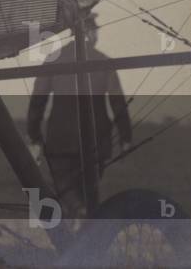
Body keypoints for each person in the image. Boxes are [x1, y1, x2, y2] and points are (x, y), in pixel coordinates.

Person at [26, 13, 133, 218]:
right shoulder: (103, 61)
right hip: (96, 139)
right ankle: (84, 221)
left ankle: (78, 213)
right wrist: (125, 138)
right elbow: (117, 102)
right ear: (90, 33)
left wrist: (34, 135)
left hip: (60, 138)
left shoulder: (53, 60)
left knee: (64, 188)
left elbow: (38, 101)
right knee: (89, 191)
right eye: (96, 30)